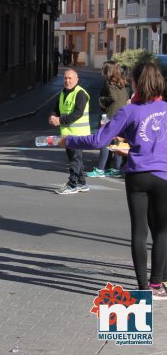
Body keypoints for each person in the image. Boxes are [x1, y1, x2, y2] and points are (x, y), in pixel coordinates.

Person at [59, 62, 167, 299]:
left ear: (137, 83)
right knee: (162, 231)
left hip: (138, 176)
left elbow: (99, 140)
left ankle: (142, 288)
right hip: (163, 177)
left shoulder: (129, 112)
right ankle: (157, 284)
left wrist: (70, 140)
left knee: (139, 231)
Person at [49, 69, 90, 195]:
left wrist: (59, 120)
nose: (67, 81)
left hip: (78, 134)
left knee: (74, 159)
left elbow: (78, 113)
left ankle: (72, 185)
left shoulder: (81, 93)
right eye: (65, 78)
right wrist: (52, 116)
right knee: (76, 158)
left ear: (77, 80)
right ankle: (82, 183)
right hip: (67, 133)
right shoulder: (63, 93)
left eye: (70, 78)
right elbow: (56, 108)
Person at [86, 61, 129, 178]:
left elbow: (113, 98)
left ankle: (100, 169)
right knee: (117, 141)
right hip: (122, 115)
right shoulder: (122, 83)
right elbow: (125, 98)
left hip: (111, 116)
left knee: (104, 141)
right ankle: (116, 168)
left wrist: (101, 100)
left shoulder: (110, 83)